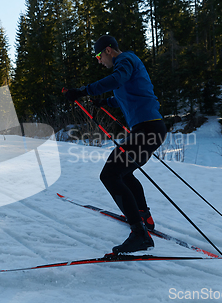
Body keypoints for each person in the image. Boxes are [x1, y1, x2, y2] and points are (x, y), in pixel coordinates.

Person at [64, 35, 167, 254]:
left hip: (148, 130)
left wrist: (83, 90)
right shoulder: (126, 68)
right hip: (148, 130)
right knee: (124, 174)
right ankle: (143, 218)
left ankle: (140, 234)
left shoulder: (125, 61)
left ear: (109, 51)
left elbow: (117, 80)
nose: (99, 61)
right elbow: (125, 95)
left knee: (110, 175)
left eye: (99, 56)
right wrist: (104, 102)